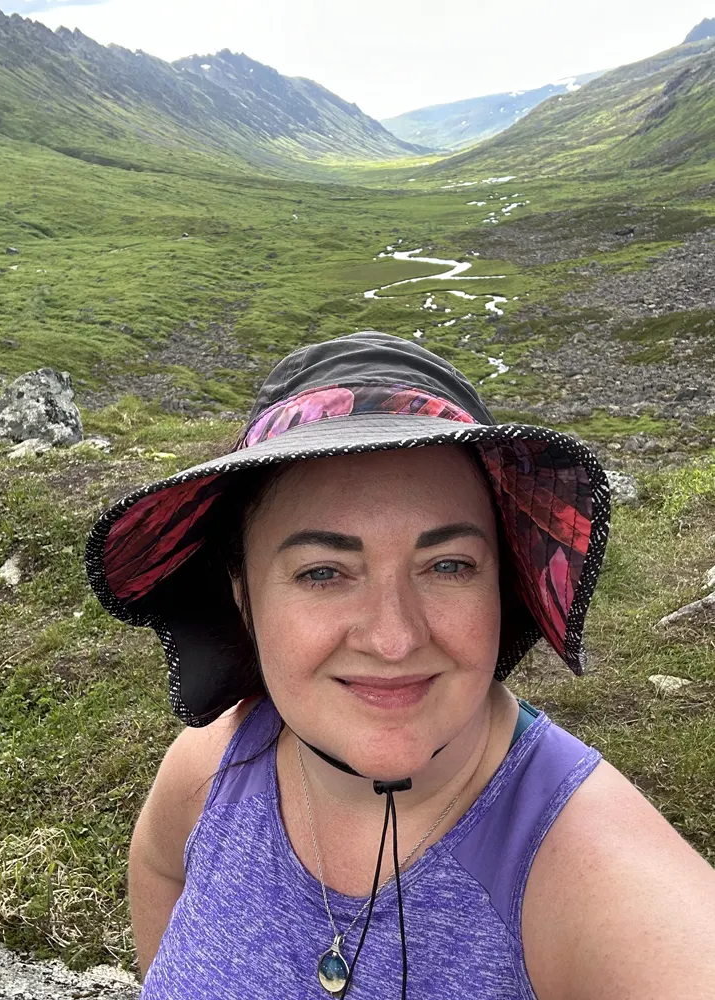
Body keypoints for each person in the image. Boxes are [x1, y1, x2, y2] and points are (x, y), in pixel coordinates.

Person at [85, 331, 715, 1000]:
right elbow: (158, 867)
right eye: (324, 572)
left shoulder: (597, 880)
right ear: (246, 599)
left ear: (501, 585)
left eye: (448, 565)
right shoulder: (216, 769)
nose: (393, 639)